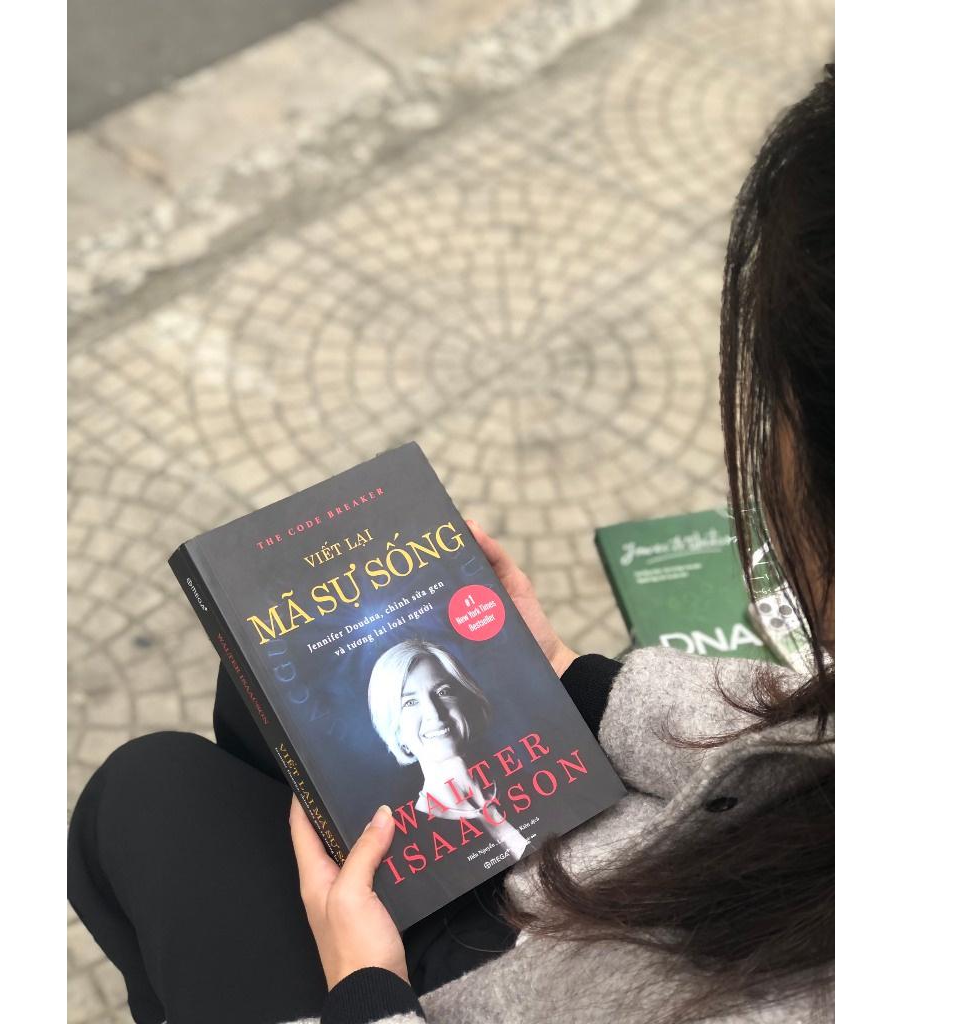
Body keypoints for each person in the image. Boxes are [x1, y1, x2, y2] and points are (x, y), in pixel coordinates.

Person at [68, 65, 834, 1024]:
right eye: (409, 700)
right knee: (253, 691)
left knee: (142, 793)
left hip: (485, 985)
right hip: (629, 871)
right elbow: (817, 739)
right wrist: (584, 684)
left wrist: (367, 991)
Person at [367, 638, 529, 865]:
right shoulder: (413, 846)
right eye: (410, 703)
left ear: (467, 703)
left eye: (443, 691)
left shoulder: (527, 781)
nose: (434, 713)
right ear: (397, 732)